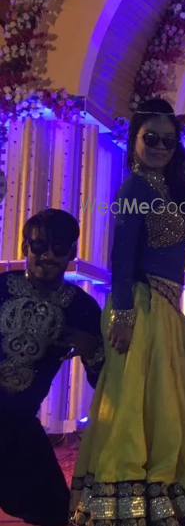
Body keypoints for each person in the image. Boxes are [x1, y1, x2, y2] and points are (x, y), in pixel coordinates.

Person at [69, 98, 185, 525]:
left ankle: (159, 493)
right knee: (139, 408)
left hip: (164, 311)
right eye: (151, 138)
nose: (160, 148)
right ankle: (133, 501)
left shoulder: (173, 191)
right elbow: (121, 257)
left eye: (168, 141)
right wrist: (123, 315)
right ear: (134, 138)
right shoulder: (132, 191)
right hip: (138, 306)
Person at [0, 209, 104, 526]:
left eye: (59, 248)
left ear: (71, 253)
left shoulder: (81, 308)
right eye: (39, 246)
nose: (47, 256)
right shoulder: (1, 287)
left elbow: (103, 380)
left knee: (57, 512)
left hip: (18, 424)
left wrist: (92, 351)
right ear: (24, 247)